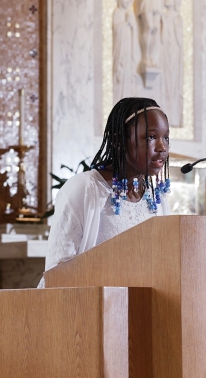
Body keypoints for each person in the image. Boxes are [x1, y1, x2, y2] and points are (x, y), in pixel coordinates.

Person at [39, 97, 171, 287]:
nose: (162, 147)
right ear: (119, 140)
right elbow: (57, 270)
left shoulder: (157, 200)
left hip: (137, 310)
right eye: (150, 137)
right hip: (83, 308)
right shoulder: (85, 188)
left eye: (166, 137)